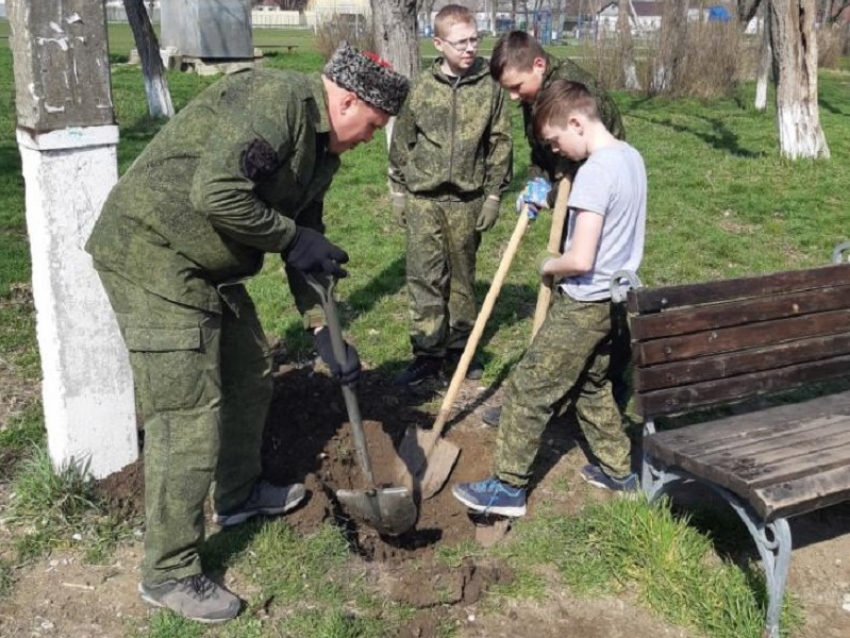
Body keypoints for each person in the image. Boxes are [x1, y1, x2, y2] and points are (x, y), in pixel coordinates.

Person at [85, 44, 409, 623]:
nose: (367, 140)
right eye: (373, 126)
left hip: (210, 265)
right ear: (349, 100)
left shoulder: (321, 153)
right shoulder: (277, 102)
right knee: (186, 410)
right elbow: (215, 192)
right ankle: (169, 571)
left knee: (251, 374)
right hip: (153, 252)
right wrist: (288, 239)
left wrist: (321, 330)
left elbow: (306, 243)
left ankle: (236, 496)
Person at [452, 80, 647, 517]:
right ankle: (620, 473)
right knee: (591, 385)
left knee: (528, 389)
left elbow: (580, 258)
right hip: (618, 301)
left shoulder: (596, 171)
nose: (556, 151)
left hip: (584, 303)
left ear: (577, 122)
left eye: (556, 140)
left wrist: (548, 263)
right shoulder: (631, 158)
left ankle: (507, 489)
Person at [482, 30, 628, 425]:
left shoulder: (579, 89)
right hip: (566, 194)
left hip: (590, 203)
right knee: (567, 297)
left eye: (516, 86)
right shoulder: (534, 95)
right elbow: (539, 148)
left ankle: (563, 393)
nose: (513, 97)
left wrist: (570, 190)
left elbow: (607, 149)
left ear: (539, 66)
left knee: (584, 297)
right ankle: (541, 395)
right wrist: (537, 181)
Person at [388, 4, 513, 386]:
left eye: (474, 39)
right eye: (461, 42)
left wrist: (493, 195)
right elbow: (403, 139)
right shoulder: (421, 88)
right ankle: (427, 352)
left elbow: (500, 142)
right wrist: (396, 188)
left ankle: (460, 348)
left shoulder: (490, 88)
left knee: (462, 278)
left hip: (467, 200)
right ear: (438, 43)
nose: (470, 48)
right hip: (423, 199)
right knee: (424, 277)